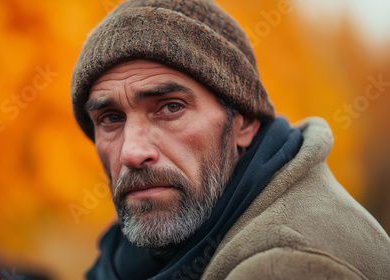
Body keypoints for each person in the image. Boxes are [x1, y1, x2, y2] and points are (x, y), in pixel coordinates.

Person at [70, 0, 390, 279]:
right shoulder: (136, 257)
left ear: (244, 122)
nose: (132, 152)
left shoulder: (287, 264)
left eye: (170, 108)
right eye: (111, 118)